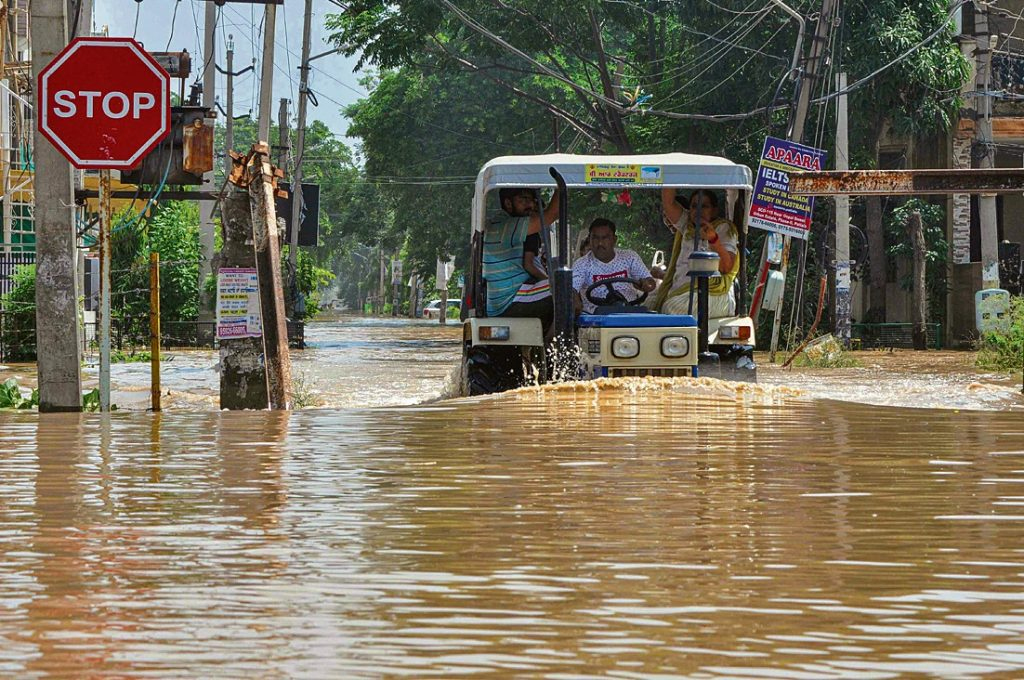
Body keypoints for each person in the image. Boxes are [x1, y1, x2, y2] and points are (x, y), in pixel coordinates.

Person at [649, 188, 740, 317]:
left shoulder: (723, 228)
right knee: (648, 306)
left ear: (714, 210)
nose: (698, 211)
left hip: (713, 294)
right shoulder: (687, 225)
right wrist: (668, 170)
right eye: (694, 206)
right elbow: (668, 203)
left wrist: (713, 239)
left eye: (704, 206)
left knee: (671, 308)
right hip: (682, 293)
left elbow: (726, 267)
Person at [483, 188, 559, 327]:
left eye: (531, 200)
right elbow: (550, 216)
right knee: (566, 289)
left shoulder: (501, 223)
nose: (529, 205)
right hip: (511, 300)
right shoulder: (507, 226)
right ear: (508, 203)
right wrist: (561, 185)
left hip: (510, 297)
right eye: (523, 200)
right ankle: (556, 341)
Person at [572, 218, 656, 314]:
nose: (600, 243)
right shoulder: (582, 264)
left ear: (614, 239)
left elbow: (650, 282)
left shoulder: (629, 257)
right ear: (589, 239)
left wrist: (646, 284)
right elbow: (572, 289)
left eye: (605, 238)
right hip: (597, 318)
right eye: (595, 238)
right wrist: (574, 299)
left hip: (630, 312)